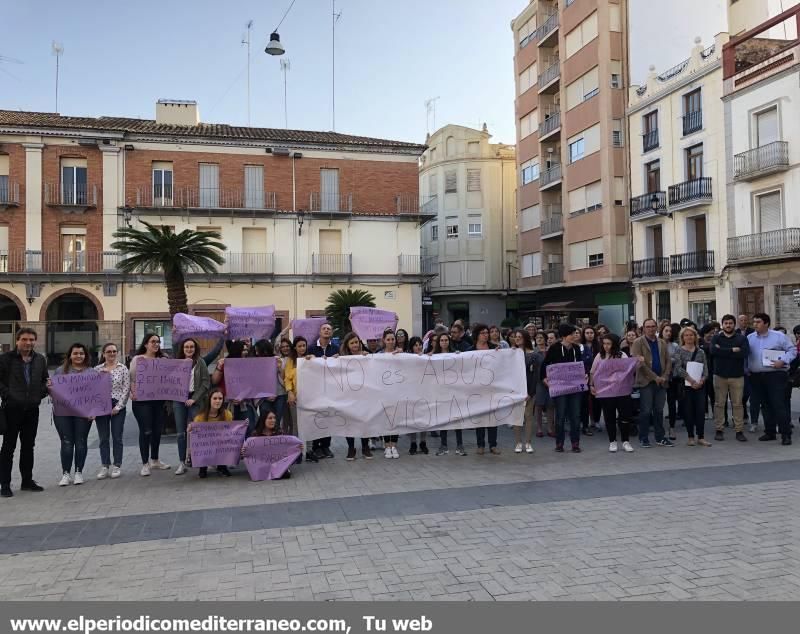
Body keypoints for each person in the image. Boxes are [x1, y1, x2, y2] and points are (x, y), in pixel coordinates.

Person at [0, 328, 49, 498]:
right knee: (8, 447)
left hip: (32, 410)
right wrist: (8, 395)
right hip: (12, 409)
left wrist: (40, 393)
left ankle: (27, 481)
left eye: (31, 340)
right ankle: (5, 484)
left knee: (28, 447)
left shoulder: (40, 360)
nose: (28, 343)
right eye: (24, 339)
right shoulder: (5, 359)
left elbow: (45, 380)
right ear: (17, 340)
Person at [747, 312, 797, 445]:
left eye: (758, 322)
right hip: (756, 376)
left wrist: (783, 361)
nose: (755, 324)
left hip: (775, 375)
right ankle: (770, 432)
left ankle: (786, 434)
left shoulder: (779, 337)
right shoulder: (750, 338)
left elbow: (793, 351)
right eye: (754, 322)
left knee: (778, 404)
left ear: (766, 323)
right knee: (765, 405)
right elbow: (746, 355)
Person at [49, 343, 95, 486]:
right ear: (70, 355)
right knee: (67, 442)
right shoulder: (59, 371)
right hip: (63, 413)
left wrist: (94, 411)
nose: (78, 356)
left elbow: (96, 394)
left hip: (83, 413)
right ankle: (66, 474)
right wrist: (49, 388)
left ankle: (78, 472)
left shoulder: (91, 372)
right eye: (75, 353)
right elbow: (54, 393)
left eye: (81, 353)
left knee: (80, 441)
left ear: (85, 355)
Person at [130, 333, 171, 476]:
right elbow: (132, 379)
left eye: (158, 342)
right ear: (146, 344)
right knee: (146, 431)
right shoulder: (138, 359)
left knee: (157, 431)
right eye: (152, 341)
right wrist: (132, 392)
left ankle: (155, 459)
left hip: (158, 401)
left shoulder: (163, 359)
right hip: (142, 402)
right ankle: (145, 463)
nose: (156, 344)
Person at [541, 323, 585, 453]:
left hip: (575, 387)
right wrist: (545, 379)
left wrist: (584, 375)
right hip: (560, 388)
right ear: (565, 336)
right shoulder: (554, 348)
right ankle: (559, 443)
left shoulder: (576, 349)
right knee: (560, 415)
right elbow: (545, 365)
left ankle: (575, 443)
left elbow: (580, 366)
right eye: (572, 334)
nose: (574, 336)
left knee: (575, 415)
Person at [631, 318, 674, 448]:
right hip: (646, 382)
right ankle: (643, 438)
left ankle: (660, 437)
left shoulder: (662, 342)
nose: (650, 329)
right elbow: (640, 363)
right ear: (643, 328)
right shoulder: (638, 342)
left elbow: (668, 361)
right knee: (645, 411)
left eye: (653, 326)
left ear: (656, 328)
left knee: (659, 410)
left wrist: (665, 376)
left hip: (662, 382)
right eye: (648, 326)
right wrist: (655, 377)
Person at [590, 334, 636, 453]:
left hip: (622, 392)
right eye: (604, 343)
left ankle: (626, 441)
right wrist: (591, 385)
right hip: (606, 393)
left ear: (614, 344)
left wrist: (638, 362)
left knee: (624, 416)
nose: (606, 346)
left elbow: (629, 369)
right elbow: (592, 372)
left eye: (608, 344)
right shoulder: (600, 356)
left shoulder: (622, 355)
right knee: (609, 416)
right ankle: (612, 441)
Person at [173, 338, 211, 475]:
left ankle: (201, 460)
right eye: (186, 347)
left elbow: (206, 383)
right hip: (179, 400)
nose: (189, 349)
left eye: (192, 347)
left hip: (196, 399)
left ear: (195, 349)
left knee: (198, 430)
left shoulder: (200, 362)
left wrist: (194, 399)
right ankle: (182, 462)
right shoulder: (176, 363)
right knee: (180, 433)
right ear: (182, 349)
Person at [94, 342, 130, 480]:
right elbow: (91, 389)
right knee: (103, 438)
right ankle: (105, 465)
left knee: (117, 437)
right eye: (109, 351)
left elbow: (126, 389)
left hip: (117, 405)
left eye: (114, 351)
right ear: (103, 354)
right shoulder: (97, 369)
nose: (112, 354)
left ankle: (117, 465)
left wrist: (118, 407)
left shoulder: (123, 369)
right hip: (101, 405)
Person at [710, 314, 749, 442]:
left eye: (730, 323)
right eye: (726, 323)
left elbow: (744, 353)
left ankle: (739, 431)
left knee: (737, 404)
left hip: (737, 376)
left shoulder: (741, 338)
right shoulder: (716, 337)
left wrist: (723, 351)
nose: (728, 325)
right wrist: (733, 350)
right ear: (723, 324)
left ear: (734, 324)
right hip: (720, 376)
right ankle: (719, 429)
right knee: (719, 404)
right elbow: (713, 352)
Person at [430, 333, 467, 456]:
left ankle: (460, 445)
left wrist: (458, 357)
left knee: (457, 418)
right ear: (438, 342)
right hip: (441, 392)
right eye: (442, 340)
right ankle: (443, 445)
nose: (444, 342)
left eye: (446, 340)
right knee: (443, 419)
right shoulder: (434, 356)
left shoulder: (455, 354)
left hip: (454, 390)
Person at [675, 327, 711, 447]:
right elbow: (678, 369)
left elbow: (706, 369)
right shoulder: (679, 351)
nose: (689, 337)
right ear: (682, 337)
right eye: (686, 335)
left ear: (695, 337)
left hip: (700, 386)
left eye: (691, 335)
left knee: (700, 411)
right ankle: (690, 437)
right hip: (686, 385)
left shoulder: (700, 351)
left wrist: (702, 380)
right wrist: (691, 380)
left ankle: (701, 437)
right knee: (688, 411)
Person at [339, 332, 372, 461]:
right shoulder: (342, 358)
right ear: (347, 345)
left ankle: (365, 447)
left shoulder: (365, 355)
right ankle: (351, 448)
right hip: (348, 396)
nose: (355, 345)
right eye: (352, 343)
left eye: (356, 342)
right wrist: (335, 359)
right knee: (349, 422)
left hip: (363, 395)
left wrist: (367, 357)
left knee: (364, 420)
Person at [308, 323, 339, 459]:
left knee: (329, 417)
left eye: (329, 329)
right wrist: (309, 359)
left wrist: (339, 360)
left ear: (331, 333)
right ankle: (316, 447)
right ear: (319, 332)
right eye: (324, 328)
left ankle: (326, 446)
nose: (327, 330)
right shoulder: (311, 348)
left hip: (331, 389)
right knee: (317, 417)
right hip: (315, 388)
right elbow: (306, 365)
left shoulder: (336, 348)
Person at [471, 324, 501, 455]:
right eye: (483, 333)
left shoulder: (495, 348)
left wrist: (509, 352)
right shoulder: (471, 350)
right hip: (477, 389)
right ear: (477, 335)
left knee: (492, 418)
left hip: (492, 388)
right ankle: (480, 444)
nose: (486, 335)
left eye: (486, 333)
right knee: (480, 418)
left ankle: (493, 445)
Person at [190, 388, 233, 478]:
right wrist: (191, 428)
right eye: (215, 398)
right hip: (206, 445)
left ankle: (222, 466)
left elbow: (230, 432)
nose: (218, 401)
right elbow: (197, 437)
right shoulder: (200, 417)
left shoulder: (227, 414)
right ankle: (203, 466)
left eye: (220, 398)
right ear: (209, 400)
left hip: (221, 443)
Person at [244, 410, 297, 479]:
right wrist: (244, 451)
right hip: (261, 464)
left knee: (285, 475)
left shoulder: (279, 432)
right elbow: (250, 452)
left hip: (276, 464)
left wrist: (297, 447)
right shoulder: (255, 434)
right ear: (263, 420)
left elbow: (286, 450)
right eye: (270, 418)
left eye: (274, 418)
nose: (273, 420)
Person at [284, 336, 312, 463]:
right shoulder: (291, 360)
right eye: (299, 346)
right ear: (295, 347)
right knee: (296, 426)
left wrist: (312, 360)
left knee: (309, 424)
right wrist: (289, 392)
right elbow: (287, 378)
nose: (302, 348)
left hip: (310, 397)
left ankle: (309, 451)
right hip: (295, 397)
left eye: (304, 345)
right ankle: (297, 452)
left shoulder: (311, 358)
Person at [377, 329, 402, 458]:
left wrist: (402, 354)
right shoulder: (378, 355)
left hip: (397, 391)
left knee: (395, 419)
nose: (391, 342)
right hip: (384, 392)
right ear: (384, 340)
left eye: (393, 339)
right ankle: (387, 446)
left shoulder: (401, 354)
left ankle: (394, 445)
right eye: (388, 339)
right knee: (386, 419)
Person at [511, 329, 536, 453]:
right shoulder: (511, 353)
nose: (517, 338)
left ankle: (528, 442)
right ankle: (518, 442)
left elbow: (535, 376)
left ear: (525, 338)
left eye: (520, 336)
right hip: (515, 391)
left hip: (529, 391)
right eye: (516, 337)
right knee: (517, 417)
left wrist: (530, 393)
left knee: (528, 416)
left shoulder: (533, 354)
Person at [406, 337, 429, 454]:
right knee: (412, 418)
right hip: (412, 392)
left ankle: (423, 442)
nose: (418, 347)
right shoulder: (407, 359)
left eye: (420, 344)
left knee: (424, 418)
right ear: (411, 348)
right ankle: (413, 443)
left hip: (424, 392)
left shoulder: (428, 358)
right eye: (415, 345)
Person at [531, 332, 555, 438]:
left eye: (541, 337)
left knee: (551, 405)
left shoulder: (551, 350)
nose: (539, 339)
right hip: (538, 382)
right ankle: (539, 428)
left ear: (545, 339)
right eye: (537, 338)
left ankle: (550, 428)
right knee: (539, 406)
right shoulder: (533, 351)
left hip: (551, 381)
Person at [660, 323, 680, 440]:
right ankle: (659, 427)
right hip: (659, 377)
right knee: (659, 404)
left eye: (670, 331)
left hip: (672, 378)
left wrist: (667, 360)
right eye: (666, 331)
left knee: (672, 403)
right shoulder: (656, 344)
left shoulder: (675, 345)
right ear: (662, 331)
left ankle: (671, 428)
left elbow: (678, 360)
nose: (668, 333)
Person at [579, 326, 601, 436]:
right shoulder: (580, 347)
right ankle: (584, 423)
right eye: (587, 333)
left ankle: (595, 420)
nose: (589, 334)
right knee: (584, 402)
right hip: (583, 377)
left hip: (597, 376)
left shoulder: (599, 346)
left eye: (591, 332)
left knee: (596, 399)